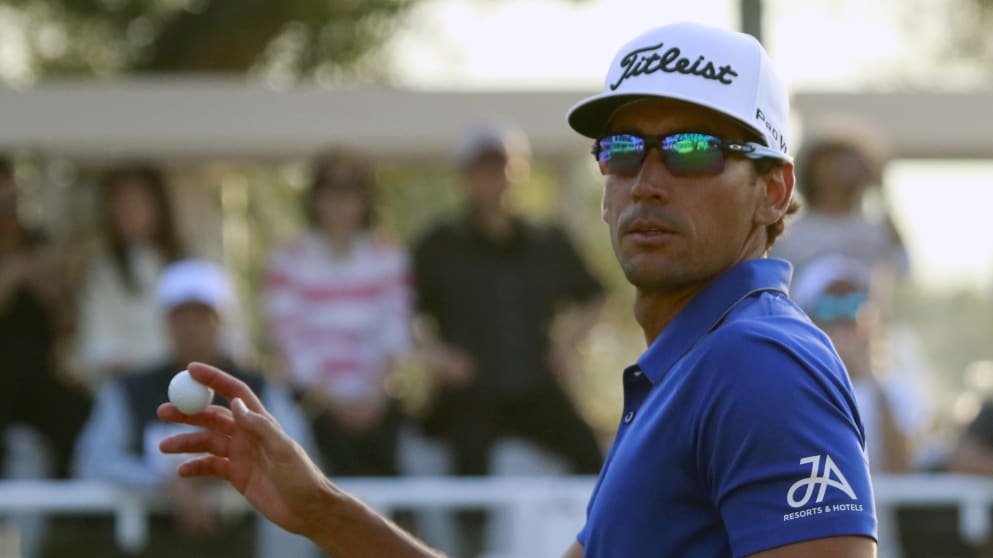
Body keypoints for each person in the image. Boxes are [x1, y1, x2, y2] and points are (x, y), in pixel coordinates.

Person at [157, 22, 877, 557]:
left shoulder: (757, 361)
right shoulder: (692, 366)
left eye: (692, 149)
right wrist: (320, 509)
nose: (647, 182)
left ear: (771, 189)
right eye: (623, 151)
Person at [72, 259, 317, 557]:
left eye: (202, 316)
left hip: (243, 540)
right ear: (166, 322)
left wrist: (221, 474)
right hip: (150, 543)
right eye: (181, 316)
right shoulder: (128, 390)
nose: (191, 328)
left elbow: (299, 455)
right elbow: (92, 460)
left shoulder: (259, 388)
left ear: (222, 321)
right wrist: (164, 481)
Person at [263, 149, 411, 477]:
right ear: (315, 197)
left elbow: (394, 331)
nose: (341, 200)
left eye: (351, 188)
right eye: (331, 188)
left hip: (377, 399)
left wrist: (373, 396)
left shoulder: (388, 256)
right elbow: (289, 337)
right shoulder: (287, 259)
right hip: (314, 401)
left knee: (388, 471)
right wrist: (333, 399)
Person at [0, 154, 91, 480]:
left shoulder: (38, 241)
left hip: (38, 373)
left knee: (81, 419)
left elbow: (69, 325)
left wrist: (55, 294)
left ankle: (71, 524)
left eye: (11, 202)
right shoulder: (27, 256)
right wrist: (15, 273)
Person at [74, 163, 185, 390]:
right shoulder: (103, 272)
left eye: (136, 201)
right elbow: (98, 345)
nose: (127, 211)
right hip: (130, 394)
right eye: (120, 203)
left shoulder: (189, 263)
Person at [771, 133, 909, 281]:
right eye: (829, 161)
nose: (838, 169)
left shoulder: (875, 230)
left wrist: (880, 192)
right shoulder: (790, 231)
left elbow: (903, 268)